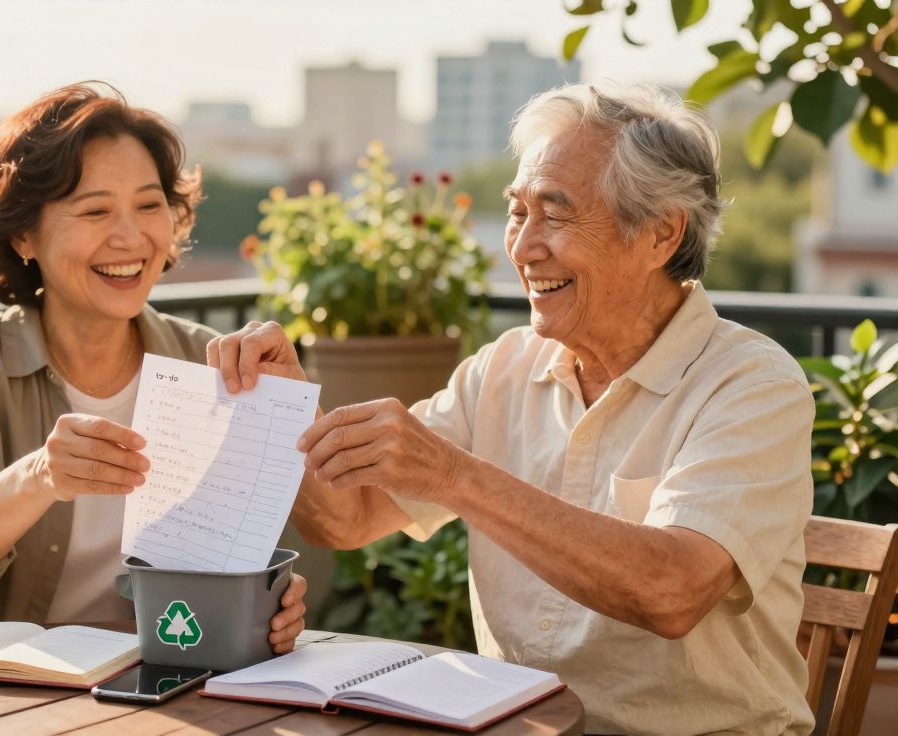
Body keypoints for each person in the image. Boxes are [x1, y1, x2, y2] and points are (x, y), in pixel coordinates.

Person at [210, 84, 814, 734]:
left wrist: (454, 475)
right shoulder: (503, 367)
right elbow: (348, 519)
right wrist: (284, 405)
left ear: (661, 233)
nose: (523, 248)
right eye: (517, 212)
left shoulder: (752, 386)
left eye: (555, 215)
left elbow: (671, 591)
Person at [0, 83, 306, 653]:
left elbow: (244, 551)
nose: (131, 237)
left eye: (148, 205)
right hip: (4, 686)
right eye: (95, 210)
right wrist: (42, 475)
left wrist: (268, 602)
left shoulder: (213, 366)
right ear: (22, 234)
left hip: (172, 672)